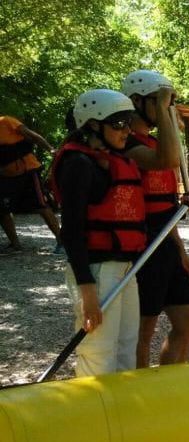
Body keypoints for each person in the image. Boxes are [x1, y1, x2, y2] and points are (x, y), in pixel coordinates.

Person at [50, 89, 146, 376]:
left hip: (124, 267)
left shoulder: (110, 160)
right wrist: (87, 289)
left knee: (126, 346)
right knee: (99, 350)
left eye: (129, 123)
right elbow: (72, 231)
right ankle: (94, 416)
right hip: (97, 270)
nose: (126, 131)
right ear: (93, 125)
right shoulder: (79, 164)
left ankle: (122, 415)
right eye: (118, 124)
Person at [121, 69, 189, 367]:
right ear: (136, 103)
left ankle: (169, 382)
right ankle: (139, 394)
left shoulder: (156, 142)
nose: (165, 108)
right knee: (144, 328)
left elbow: (165, 202)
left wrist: (179, 247)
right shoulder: (125, 143)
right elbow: (167, 160)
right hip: (142, 243)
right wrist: (168, 113)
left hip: (164, 241)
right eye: (159, 101)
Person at [0, 114, 62, 254]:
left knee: (40, 205)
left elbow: (31, 135)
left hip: (28, 170)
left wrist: (50, 149)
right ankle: (15, 245)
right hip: (5, 176)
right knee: (1, 209)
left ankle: (62, 241)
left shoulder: (6, 121)